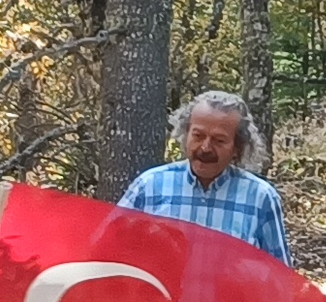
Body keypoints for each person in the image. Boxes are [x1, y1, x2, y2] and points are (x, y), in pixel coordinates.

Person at [116, 91, 288, 262]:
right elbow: (106, 250)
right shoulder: (149, 186)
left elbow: (282, 279)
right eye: (198, 136)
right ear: (185, 134)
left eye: (219, 140)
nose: (205, 148)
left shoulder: (260, 197)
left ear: (238, 147)